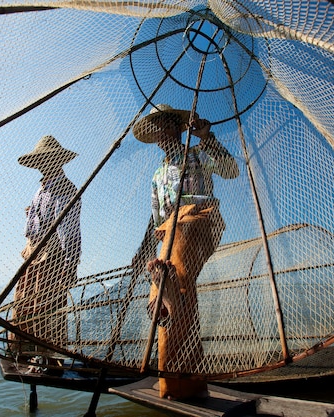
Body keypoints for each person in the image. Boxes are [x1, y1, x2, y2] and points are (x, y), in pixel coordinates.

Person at [132, 104, 239, 399]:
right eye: (157, 129)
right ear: (153, 137)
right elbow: (156, 221)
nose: (162, 133)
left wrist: (207, 137)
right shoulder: (157, 176)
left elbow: (232, 171)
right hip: (169, 231)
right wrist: (144, 249)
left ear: (178, 129)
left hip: (201, 219)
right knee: (171, 293)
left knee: (174, 270)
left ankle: (164, 281)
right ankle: (181, 382)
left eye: (167, 126)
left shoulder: (197, 154)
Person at [12, 135, 81, 364]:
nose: (42, 164)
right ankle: (29, 355)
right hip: (34, 254)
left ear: (57, 160)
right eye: (40, 160)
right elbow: (39, 220)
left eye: (46, 159)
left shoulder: (64, 187)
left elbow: (68, 231)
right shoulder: (42, 188)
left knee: (47, 309)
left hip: (50, 258)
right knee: (25, 305)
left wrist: (69, 265)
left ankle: (48, 359)